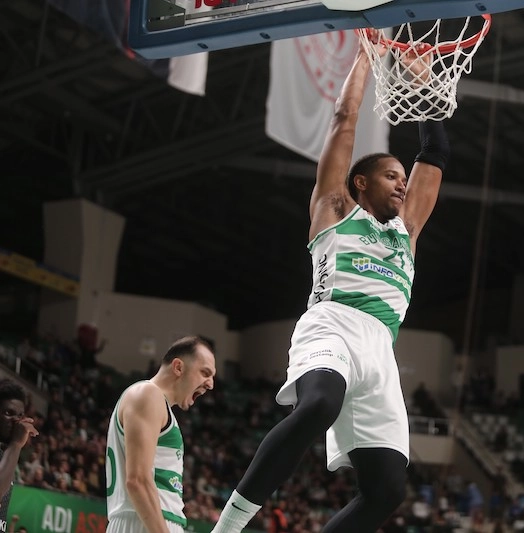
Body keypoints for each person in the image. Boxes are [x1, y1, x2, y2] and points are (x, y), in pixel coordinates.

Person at [212, 35, 448, 533]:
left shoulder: (407, 229)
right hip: (333, 323)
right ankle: (227, 528)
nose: (402, 183)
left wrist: (424, 80)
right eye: (391, 175)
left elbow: (436, 149)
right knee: (319, 404)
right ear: (361, 183)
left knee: (387, 491)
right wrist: (366, 54)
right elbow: (344, 119)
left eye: (403, 177)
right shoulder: (334, 209)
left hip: (381, 348)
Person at [106, 336, 215, 533]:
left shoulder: (155, 403)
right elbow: (138, 481)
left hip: (144, 520)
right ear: (178, 367)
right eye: (205, 372)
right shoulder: (148, 394)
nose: (210, 384)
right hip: (142, 522)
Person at [0, 380, 38, 533]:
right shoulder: (12, 449)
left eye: (20, 415)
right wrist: (16, 444)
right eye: (8, 413)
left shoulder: (6, 452)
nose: (16, 421)